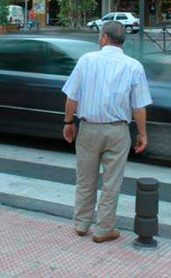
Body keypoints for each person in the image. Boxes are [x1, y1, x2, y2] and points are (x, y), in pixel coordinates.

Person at [62, 21, 152, 244]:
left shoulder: (86, 60)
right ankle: (104, 229)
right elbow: (138, 106)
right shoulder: (134, 66)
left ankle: (82, 224)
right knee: (112, 183)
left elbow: (71, 97)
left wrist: (68, 122)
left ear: (103, 38)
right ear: (123, 41)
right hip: (118, 131)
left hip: (89, 128)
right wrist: (142, 134)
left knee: (85, 180)